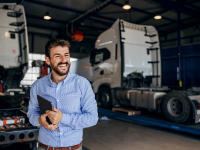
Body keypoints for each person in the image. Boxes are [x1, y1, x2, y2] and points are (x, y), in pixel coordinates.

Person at [27, 39, 98, 150]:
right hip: (45, 147)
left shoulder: (82, 84)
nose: (64, 60)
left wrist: (63, 118)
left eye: (66, 55)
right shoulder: (38, 86)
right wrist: (39, 120)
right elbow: (31, 112)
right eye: (57, 56)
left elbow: (92, 118)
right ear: (48, 60)